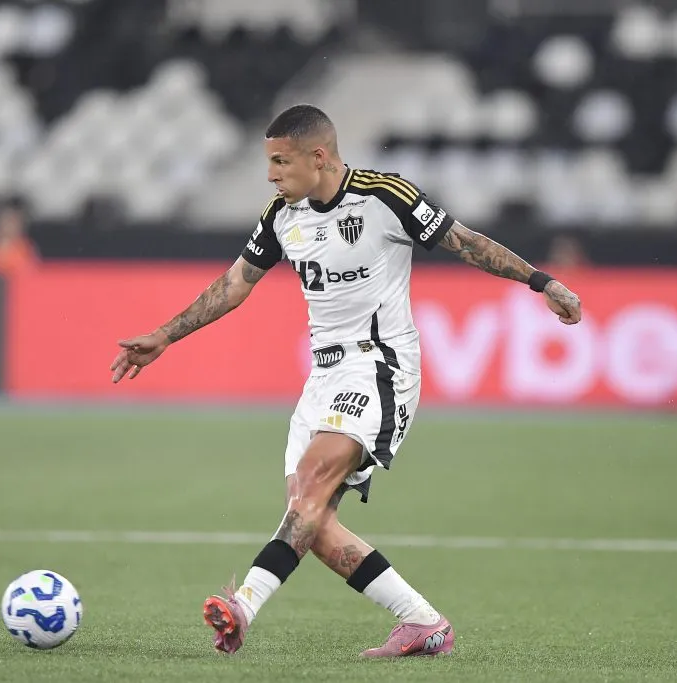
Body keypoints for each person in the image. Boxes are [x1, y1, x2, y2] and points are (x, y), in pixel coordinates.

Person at [109, 105, 582, 658]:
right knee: (310, 522)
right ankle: (423, 622)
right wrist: (165, 336)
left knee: (310, 486)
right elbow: (235, 284)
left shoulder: (386, 197)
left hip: (380, 366)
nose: (271, 174)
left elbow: (467, 243)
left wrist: (542, 282)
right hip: (323, 377)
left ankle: (244, 605)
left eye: (280, 161)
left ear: (318, 156)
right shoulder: (282, 215)